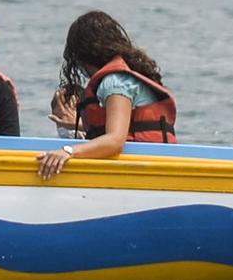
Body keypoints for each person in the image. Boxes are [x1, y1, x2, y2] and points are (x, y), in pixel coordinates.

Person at [37, 10, 175, 180]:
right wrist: (77, 126)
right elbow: (126, 126)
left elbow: (115, 141)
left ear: (83, 55)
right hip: (154, 163)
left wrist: (67, 151)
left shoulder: (114, 83)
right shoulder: (122, 75)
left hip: (146, 171)